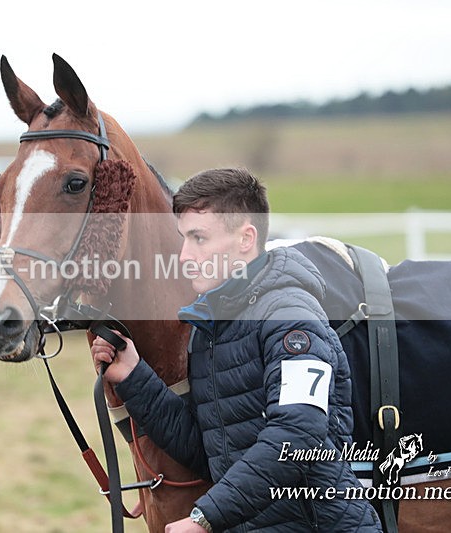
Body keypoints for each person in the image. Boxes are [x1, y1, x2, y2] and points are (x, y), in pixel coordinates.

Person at [91, 168, 381, 532]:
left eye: (198, 238)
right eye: (184, 239)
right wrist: (134, 377)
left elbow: (297, 435)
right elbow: (210, 447)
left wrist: (204, 518)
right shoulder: (211, 329)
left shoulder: (290, 318)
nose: (184, 256)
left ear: (246, 238)